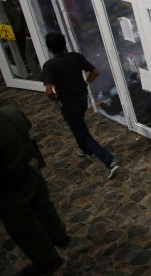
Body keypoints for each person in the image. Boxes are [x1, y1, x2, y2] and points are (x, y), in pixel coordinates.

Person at [0, 105, 70, 276]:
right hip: (31, 169)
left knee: (23, 225)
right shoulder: (10, 113)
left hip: (10, 185)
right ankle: (59, 236)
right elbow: (27, 126)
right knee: (44, 206)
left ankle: (48, 261)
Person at [41, 32, 119, 179]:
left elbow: (48, 91)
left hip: (68, 104)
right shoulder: (75, 57)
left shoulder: (49, 66)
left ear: (50, 48)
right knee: (77, 126)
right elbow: (95, 71)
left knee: (82, 133)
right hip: (82, 99)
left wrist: (55, 98)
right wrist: (86, 83)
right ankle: (85, 150)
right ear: (64, 43)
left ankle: (108, 161)